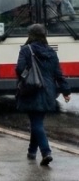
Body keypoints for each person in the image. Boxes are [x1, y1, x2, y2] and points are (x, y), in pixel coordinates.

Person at [15, 24, 72, 166]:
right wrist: (66, 91)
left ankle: (46, 152)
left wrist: (26, 78)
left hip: (31, 90)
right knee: (37, 121)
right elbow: (58, 73)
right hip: (48, 91)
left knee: (36, 123)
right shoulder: (51, 52)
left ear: (30, 35)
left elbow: (19, 68)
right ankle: (31, 151)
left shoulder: (26, 50)